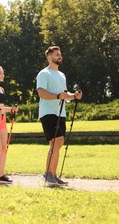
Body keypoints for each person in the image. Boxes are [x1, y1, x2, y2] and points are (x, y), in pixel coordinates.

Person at [36, 46, 82, 187]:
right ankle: (47, 174)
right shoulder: (44, 74)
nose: (59, 56)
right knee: (58, 141)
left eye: (60, 54)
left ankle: (53, 175)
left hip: (60, 112)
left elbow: (64, 95)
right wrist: (57, 96)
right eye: (57, 54)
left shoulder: (62, 75)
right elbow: (41, 93)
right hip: (48, 112)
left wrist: (74, 96)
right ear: (49, 56)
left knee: (56, 144)